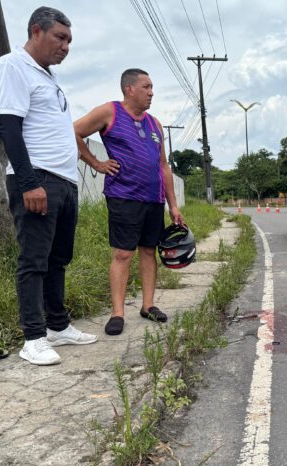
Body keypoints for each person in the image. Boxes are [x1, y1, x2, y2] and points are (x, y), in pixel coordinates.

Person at [0, 6, 98, 365]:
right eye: (60, 38)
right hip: (38, 179)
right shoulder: (12, 66)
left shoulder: (48, 77)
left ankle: (58, 326)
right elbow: (10, 128)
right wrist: (29, 182)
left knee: (58, 259)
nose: (66, 46)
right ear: (37, 31)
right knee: (34, 260)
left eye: (69, 40)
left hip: (63, 183)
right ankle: (33, 337)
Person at [74, 68, 184, 336]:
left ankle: (148, 306)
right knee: (123, 253)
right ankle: (117, 313)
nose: (151, 92)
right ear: (129, 89)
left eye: (152, 87)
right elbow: (74, 132)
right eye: (146, 87)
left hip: (153, 199)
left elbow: (164, 166)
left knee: (149, 251)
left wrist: (173, 205)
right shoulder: (110, 112)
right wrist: (97, 164)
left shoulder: (154, 124)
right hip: (123, 196)